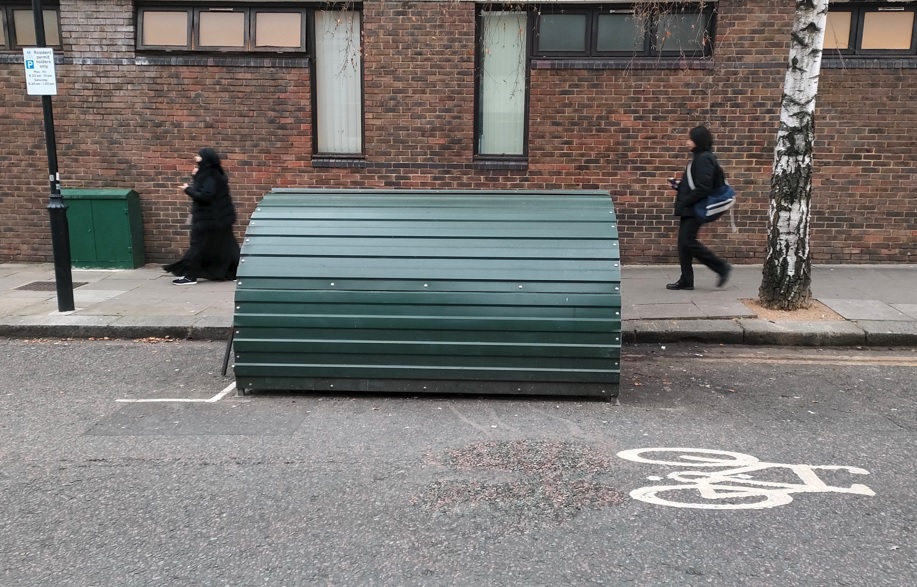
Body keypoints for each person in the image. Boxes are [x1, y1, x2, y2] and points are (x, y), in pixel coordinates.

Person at [666, 125, 731, 291]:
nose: (687, 142)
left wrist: (686, 200)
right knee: (683, 243)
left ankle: (721, 267)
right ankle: (686, 280)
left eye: (690, 139)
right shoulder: (699, 157)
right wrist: (680, 186)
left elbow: (704, 187)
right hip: (691, 207)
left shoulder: (704, 158)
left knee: (688, 241)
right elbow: (697, 183)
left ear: (698, 141)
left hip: (695, 207)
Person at [164, 148, 240, 285]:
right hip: (222, 217)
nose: (195, 157)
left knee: (197, 246)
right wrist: (196, 177)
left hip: (208, 218)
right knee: (227, 246)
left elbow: (206, 195)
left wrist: (187, 189)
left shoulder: (208, 174)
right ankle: (235, 273)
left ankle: (190, 276)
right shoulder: (217, 172)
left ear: (205, 158)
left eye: (198, 156)